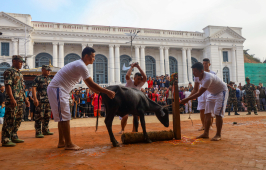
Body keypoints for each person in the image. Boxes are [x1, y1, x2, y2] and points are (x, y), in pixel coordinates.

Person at [47, 47, 115, 150]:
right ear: (86, 56)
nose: (94, 59)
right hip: (58, 89)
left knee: (62, 118)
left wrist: (102, 94)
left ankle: (62, 142)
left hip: (59, 90)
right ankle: (68, 144)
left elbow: (89, 85)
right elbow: (92, 83)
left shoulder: (80, 65)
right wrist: (107, 91)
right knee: (65, 117)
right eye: (92, 57)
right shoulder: (81, 65)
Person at [181, 62, 228, 141]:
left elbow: (199, 93)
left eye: (195, 71)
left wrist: (186, 100)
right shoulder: (196, 77)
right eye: (193, 71)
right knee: (207, 113)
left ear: (201, 71)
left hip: (221, 92)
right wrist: (187, 99)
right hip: (212, 93)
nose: (193, 73)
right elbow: (195, 89)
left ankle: (218, 134)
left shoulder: (208, 78)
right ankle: (206, 133)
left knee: (218, 113)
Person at [1, 55, 30, 147]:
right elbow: (8, 86)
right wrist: (12, 98)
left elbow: (22, 87)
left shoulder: (20, 73)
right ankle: (6, 139)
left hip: (20, 99)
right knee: (10, 119)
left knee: (18, 119)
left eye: (22, 62)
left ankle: (13, 135)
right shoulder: (9, 72)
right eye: (20, 61)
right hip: (12, 99)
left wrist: (25, 99)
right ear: (14, 61)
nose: (21, 63)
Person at [119, 62, 147, 134]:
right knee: (125, 117)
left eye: (140, 79)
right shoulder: (130, 82)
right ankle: (122, 129)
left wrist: (138, 67)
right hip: (125, 102)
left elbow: (145, 78)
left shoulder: (140, 84)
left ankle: (134, 129)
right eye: (138, 79)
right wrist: (131, 67)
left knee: (137, 116)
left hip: (135, 103)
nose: (139, 80)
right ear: (134, 78)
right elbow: (127, 76)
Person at [32, 65, 54, 138]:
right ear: (42, 70)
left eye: (49, 70)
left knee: (47, 116)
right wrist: (35, 98)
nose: (48, 71)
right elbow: (34, 88)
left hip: (48, 100)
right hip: (40, 100)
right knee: (39, 116)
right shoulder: (38, 78)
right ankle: (38, 131)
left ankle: (45, 129)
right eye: (47, 70)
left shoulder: (50, 80)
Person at [195, 58, 216, 131]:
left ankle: (210, 125)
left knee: (210, 110)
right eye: (203, 64)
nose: (204, 65)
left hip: (210, 92)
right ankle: (203, 125)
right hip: (201, 93)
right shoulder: (199, 73)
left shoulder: (213, 73)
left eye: (206, 64)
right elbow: (196, 86)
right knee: (202, 109)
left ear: (209, 64)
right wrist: (195, 95)